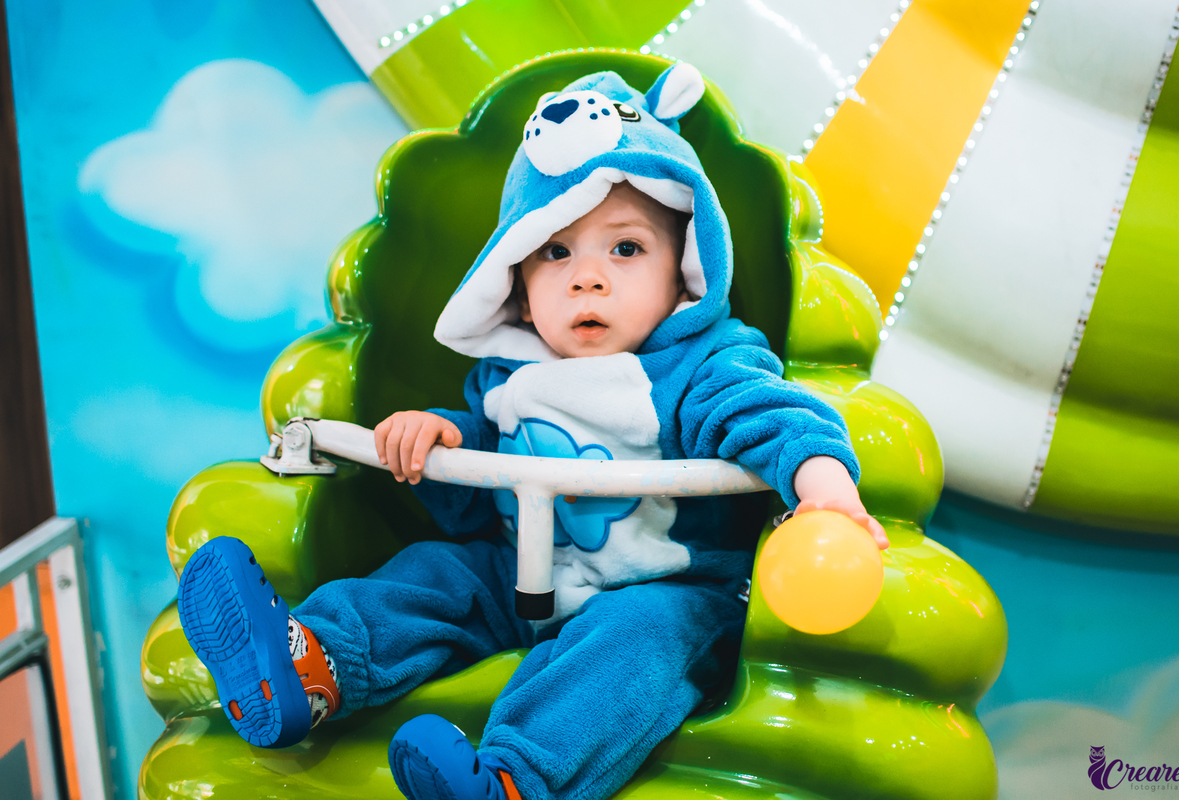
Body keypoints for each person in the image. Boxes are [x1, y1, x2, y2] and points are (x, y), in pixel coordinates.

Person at [177, 62, 888, 800]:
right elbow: (483, 484)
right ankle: (308, 669)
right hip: (518, 575)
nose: (587, 278)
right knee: (433, 574)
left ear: (684, 272)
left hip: (663, 589)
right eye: (556, 251)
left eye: (625, 249)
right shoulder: (510, 369)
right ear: (516, 277)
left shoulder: (700, 362)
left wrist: (826, 490)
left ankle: (517, 781)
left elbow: (772, 418)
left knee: (634, 642)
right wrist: (436, 441)